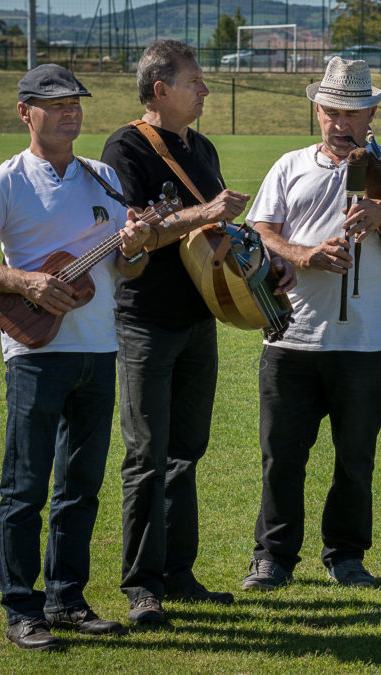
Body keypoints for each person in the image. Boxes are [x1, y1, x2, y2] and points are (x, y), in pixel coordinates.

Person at [0, 64, 152, 650]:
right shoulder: (5, 181)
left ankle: (66, 598)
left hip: (101, 348)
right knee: (26, 487)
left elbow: (128, 264)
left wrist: (136, 247)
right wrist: (26, 284)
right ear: (25, 112)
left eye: (76, 103)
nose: (71, 112)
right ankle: (22, 609)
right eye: (57, 103)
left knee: (81, 485)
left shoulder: (105, 177)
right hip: (36, 350)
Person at [240, 58, 381, 590]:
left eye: (353, 112)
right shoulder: (289, 165)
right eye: (332, 111)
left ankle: (346, 555)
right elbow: (259, 230)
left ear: (372, 112)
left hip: (364, 339)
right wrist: (304, 254)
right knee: (281, 458)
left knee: (355, 459)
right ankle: (273, 556)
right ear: (317, 110)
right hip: (290, 334)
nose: (342, 123)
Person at [100, 39, 288, 625]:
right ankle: (142, 585)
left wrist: (262, 264)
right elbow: (133, 235)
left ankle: (179, 573)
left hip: (198, 319)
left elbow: (215, 239)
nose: (205, 89)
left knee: (186, 451)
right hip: (145, 320)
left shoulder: (200, 147)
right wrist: (207, 212)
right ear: (160, 90)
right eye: (195, 81)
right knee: (146, 454)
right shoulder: (124, 147)